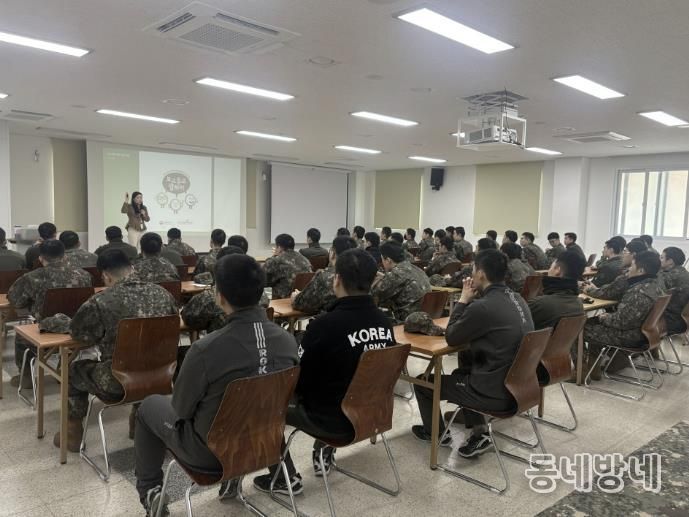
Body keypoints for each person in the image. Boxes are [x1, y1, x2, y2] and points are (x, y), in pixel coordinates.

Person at [135, 254, 298, 515]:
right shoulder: (288, 342)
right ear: (261, 293)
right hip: (266, 445)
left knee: (149, 406)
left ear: (219, 297)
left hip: (211, 456)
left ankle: (150, 491)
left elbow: (181, 411)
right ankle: (237, 477)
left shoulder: (204, 350)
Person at [254, 248, 395, 494]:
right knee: (343, 383)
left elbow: (298, 380)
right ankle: (324, 452)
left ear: (336, 279)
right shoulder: (385, 323)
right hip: (374, 414)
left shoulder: (325, 325)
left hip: (333, 422)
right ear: (373, 281)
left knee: (263, 406)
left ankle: (283, 477)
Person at [411, 249, 534, 457]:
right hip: (521, 387)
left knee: (423, 383)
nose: (472, 273)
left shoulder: (483, 307)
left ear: (481, 274)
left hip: (495, 394)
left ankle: (437, 434)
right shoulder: (518, 299)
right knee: (463, 366)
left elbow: (452, 337)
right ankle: (479, 431)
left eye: (474, 269)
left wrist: (463, 300)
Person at [54, 250, 178, 452]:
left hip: (117, 382)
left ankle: (72, 432)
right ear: (132, 268)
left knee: (73, 370)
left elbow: (79, 334)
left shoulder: (100, 301)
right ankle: (139, 424)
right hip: (162, 377)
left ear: (106, 276)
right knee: (143, 357)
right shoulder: (164, 294)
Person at [7, 240, 92, 388]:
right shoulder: (84, 275)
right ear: (64, 256)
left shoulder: (32, 277)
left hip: (44, 330)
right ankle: (63, 369)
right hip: (75, 328)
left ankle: (26, 376)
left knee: (21, 337)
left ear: (41, 258)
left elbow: (15, 300)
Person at [584, 251, 663, 380]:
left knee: (578, 328)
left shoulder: (638, 291)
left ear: (641, 271)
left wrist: (605, 317)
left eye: (632, 266)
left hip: (630, 336)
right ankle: (599, 366)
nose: (629, 269)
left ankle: (582, 370)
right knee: (593, 322)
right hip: (646, 333)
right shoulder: (656, 285)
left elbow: (621, 322)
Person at [182, 247, 269, 333]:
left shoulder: (210, 297)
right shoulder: (261, 294)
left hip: (221, 340)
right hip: (259, 338)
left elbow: (189, 318)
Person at [292, 236, 358, 314]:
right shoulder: (362, 275)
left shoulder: (324, 276)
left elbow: (302, 304)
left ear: (333, 253)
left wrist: (295, 297)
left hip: (329, 320)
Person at [372, 240, 431, 323]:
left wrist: (375, 281)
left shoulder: (396, 274)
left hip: (408, 322)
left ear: (388, 260)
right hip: (426, 318)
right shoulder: (416, 269)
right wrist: (385, 277)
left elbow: (374, 296)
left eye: (382, 259)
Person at [528, 251, 586, 331]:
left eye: (550, 267)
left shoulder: (539, 304)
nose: (549, 270)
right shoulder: (579, 304)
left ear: (557, 270)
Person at [583, 240, 647, 301]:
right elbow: (612, 287)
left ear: (633, 255)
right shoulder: (644, 277)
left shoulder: (627, 276)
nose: (622, 255)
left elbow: (607, 293)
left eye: (625, 251)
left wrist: (590, 289)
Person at [264, 233, 312, 299]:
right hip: (301, 296)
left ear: (279, 248)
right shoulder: (305, 259)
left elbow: (262, 278)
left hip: (282, 297)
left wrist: (274, 256)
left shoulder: (277, 260)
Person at [658, 247, 689, 334]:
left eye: (661, 258)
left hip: (670, 319)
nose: (659, 260)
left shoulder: (670, 276)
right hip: (681, 319)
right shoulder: (683, 272)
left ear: (670, 261)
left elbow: (656, 292)